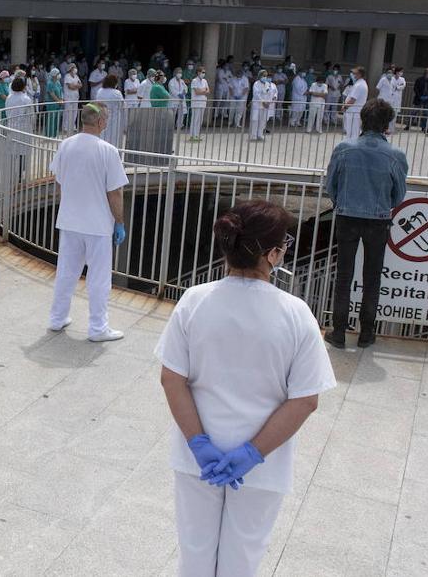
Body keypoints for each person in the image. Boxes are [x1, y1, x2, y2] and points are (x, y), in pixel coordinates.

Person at [156, 200, 335, 577]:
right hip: (263, 462)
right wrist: (252, 453)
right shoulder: (296, 313)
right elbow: (305, 400)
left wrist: (199, 443)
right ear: (272, 254)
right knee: (242, 560)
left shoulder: (194, 300)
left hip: (196, 458)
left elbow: (172, 378)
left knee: (195, 553)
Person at [324, 99, 408, 349]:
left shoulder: (344, 148)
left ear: (362, 121)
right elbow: (398, 195)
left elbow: (331, 185)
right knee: (372, 278)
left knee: (344, 276)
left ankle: (339, 332)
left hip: (347, 216)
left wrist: (341, 202)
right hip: (378, 220)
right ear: (387, 125)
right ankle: (366, 333)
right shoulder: (395, 155)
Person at [47, 103, 129, 342]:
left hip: (69, 220)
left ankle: (57, 318)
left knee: (66, 272)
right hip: (97, 224)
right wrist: (119, 222)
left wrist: (67, 207)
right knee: (99, 278)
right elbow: (115, 192)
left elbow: (59, 182)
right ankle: (98, 328)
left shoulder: (66, 145)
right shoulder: (108, 151)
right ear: (101, 122)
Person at [339, 66, 369, 141]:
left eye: (354, 73)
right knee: (352, 132)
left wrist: (344, 107)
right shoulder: (360, 83)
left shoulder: (359, 85)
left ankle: (352, 145)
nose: (353, 75)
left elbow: (352, 100)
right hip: (354, 111)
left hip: (354, 112)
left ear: (359, 74)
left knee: (352, 133)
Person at [97, 74, 126, 147]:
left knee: (103, 136)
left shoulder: (100, 91)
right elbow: (123, 105)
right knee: (113, 138)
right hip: (114, 118)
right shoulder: (116, 93)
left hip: (102, 117)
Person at [249, 70, 272, 141]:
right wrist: (263, 102)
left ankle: (260, 134)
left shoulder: (268, 84)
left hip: (265, 106)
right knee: (255, 120)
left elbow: (270, 94)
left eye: (266, 76)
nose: (265, 77)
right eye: (263, 75)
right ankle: (253, 135)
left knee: (262, 120)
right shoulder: (256, 84)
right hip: (257, 105)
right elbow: (256, 94)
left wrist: (268, 103)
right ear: (260, 76)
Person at [62, 65, 82, 133]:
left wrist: (74, 85)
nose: (75, 69)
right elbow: (70, 87)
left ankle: (73, 126)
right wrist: (76, 86)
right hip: (68, 97)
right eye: (74, 68)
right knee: (68, 112)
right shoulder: (67, 76)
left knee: (74, 112)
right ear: (70, 69)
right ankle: (66, 127)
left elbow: (81, 85)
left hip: (75, 97)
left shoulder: (76, 76)